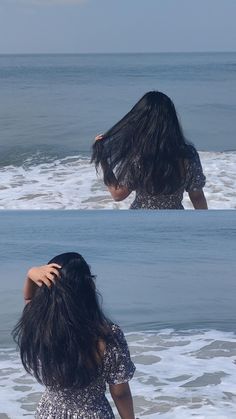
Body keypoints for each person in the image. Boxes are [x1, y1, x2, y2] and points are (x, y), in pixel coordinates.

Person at [12, 252, 136, 419]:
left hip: (49, 413)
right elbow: (120, 392)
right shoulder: (106, 334)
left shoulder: (39, 324)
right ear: (87, 287)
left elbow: (28, 297)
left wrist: (30, 273)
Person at [92, 91, 208, 209]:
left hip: (140, 221)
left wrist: (103, 160)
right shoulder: (187, 155)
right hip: (174, 222)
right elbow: (197, 197)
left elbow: (118, 195)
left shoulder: (139, 156)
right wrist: (205, 226)